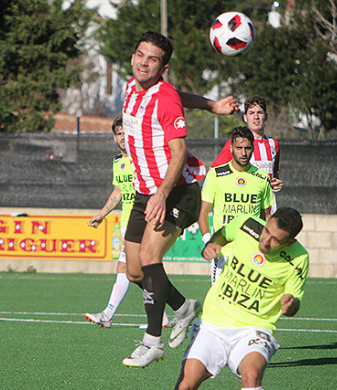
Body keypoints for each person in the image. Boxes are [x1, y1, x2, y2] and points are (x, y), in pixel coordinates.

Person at [121, 31, 239, 368]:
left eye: (153, 59)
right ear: (133, 57)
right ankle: (184, 308)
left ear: (164, 66)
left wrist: (161, 194)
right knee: (133, 271)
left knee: (148, 255)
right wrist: (213, 105)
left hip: (179, 189)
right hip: (146, 191)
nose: (144, 62)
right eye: (140, 55)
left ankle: (152, 342)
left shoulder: (164, 96)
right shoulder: (133, 87)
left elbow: (179, 151)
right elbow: (180, 94)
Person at [175, 207, 309, 390]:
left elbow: (295, 300)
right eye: (266, 231)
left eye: (275, 240)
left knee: (252, 376)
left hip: (254, 329)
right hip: (213, 323)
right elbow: (222, 234)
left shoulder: (299, 259)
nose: (265, 242)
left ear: (289, 242)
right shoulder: (247, 224)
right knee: (186, 384)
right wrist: (212, 244)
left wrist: (291, 304)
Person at [84, 117, 169, 329]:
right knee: (139, 271)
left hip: (142, 222)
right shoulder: (117, 162)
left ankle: (107, 314)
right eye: (119, 134)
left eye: (126, 133)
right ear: (115, 137)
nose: (123, 137)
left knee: (127, 269)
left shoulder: (143, 159)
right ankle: (165, 315)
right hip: (126, 222)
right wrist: (102, 214)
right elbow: (118, 191)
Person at [199, 126, 274, 285]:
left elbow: (266, 216)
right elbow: (203, 213)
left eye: (247, 148)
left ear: (253, 148)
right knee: (218, 302)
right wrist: (209, 241)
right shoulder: (216, 175)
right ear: (231, 148)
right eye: (239, 148)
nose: (244, 152)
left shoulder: (262, 178)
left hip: (251, 252)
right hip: (222, 252)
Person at [211, 96, 282, 212]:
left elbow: (274, 174)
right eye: (251, 113)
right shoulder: (235, 144)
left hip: (268, 207)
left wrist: (276, 183)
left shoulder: (273, 144)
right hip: (243, 205)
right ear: (245, 117)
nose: (256, 117)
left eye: (260, 112)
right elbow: (214, 173)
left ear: (266, 116)